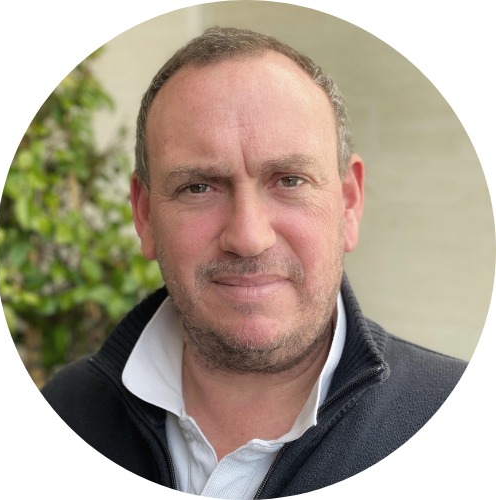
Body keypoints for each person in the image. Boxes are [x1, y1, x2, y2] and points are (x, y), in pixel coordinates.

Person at [40, 27, 468, 497]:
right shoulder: (68, 410)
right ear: (144, 215)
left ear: (349, 203)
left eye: (289, 180)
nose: (248, 238)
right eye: (198, 187)